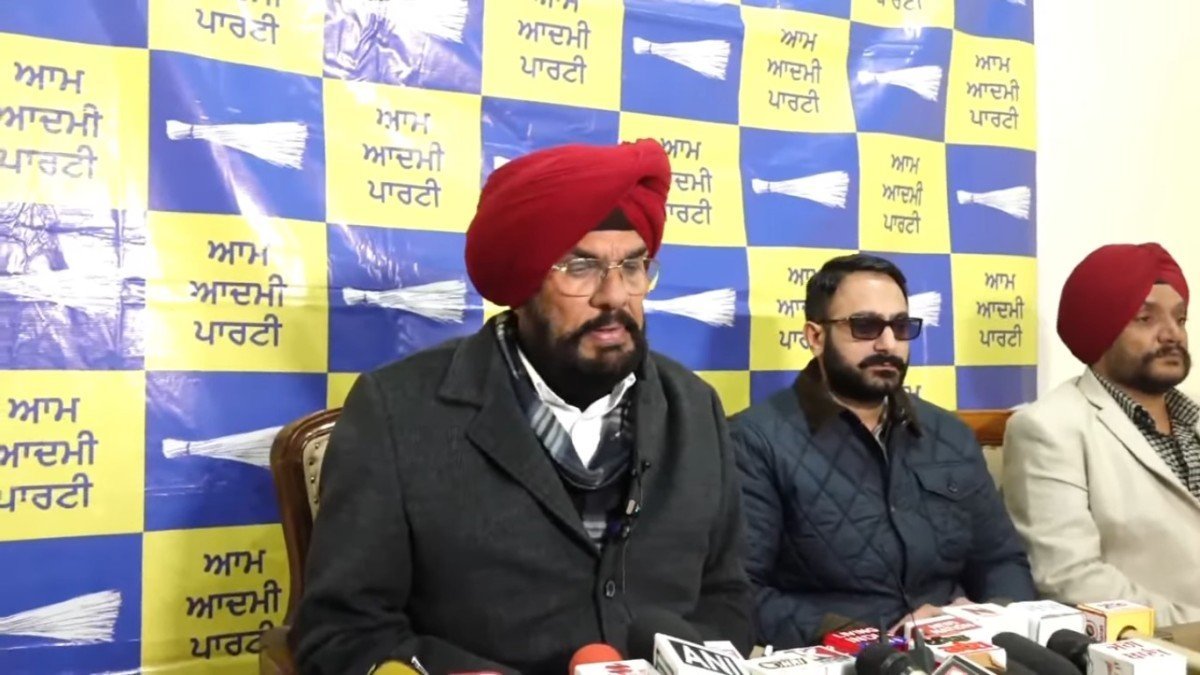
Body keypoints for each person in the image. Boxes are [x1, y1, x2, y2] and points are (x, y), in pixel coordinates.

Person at [292, 140, 752, 675]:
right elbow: (343, 634)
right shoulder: (398, 411)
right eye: (580, 266)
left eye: (632, 265)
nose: (614, 295)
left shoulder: (694, 407)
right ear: (522, 282)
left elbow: (727, 597)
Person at [729, 253, 1034, 649]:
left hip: (962, 651)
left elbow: (1001, 561)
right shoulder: (755, 441)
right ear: (816, 337)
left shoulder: (949, 436)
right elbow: (743, 593)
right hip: (843, 658)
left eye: (900, 327)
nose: (888, 343)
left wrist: (990, 618)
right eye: (865, 326)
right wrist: (873, 638)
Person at [1003, 243, 1200, 624]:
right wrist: (1191, 626)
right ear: (1100, 329)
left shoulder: (1193, 416)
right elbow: (1072, 580)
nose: (1172, 334)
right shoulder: (1049, 428)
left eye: (1180, 319)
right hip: (1157, 645)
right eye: (1145, 319)